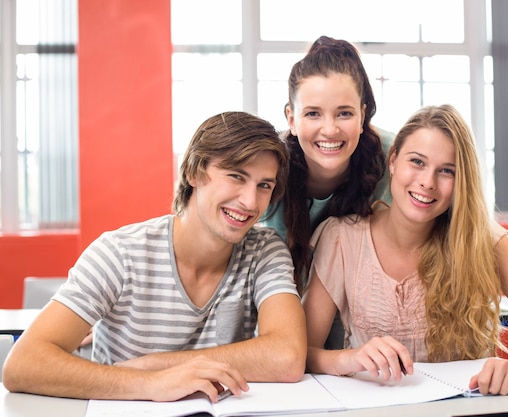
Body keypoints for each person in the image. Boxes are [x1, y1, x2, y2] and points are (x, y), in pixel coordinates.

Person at [3, 111, 307, 402]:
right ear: (193, 173)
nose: (250, 201)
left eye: (263, 185)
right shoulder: (119, 254)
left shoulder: (264, 250)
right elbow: (22, 365)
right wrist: (152, 384)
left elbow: (287, 356)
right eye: (236, 177)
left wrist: (154, 365)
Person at [302, 104, 508, 395]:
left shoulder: (484, 242)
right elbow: (303, 353)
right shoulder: (342, 238)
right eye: (417, 162)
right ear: (392, 161)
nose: (428, 182)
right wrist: (348, 358)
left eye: (447, 171)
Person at [261, 36, 393, 292]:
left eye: (344, 113)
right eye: (313, 113)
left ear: (363, 115)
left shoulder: (394, 155)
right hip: (289, 307)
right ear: (291, 119)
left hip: (364, 314)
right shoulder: (270, 165)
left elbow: (461, 216)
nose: (330, 130)